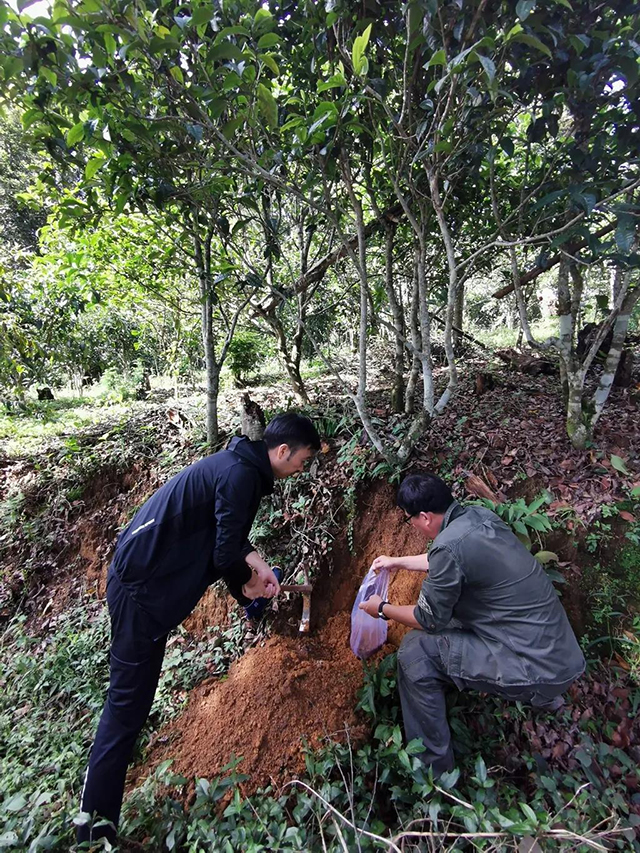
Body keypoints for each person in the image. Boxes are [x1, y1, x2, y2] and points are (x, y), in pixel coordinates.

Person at [78, 413, 320, 845]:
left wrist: (255, 563)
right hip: (141, 590)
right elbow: (226, 549)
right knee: (127, 707)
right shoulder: (242, 476)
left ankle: (97, 821)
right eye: (304, 458)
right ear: (282, 452)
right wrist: (246, 584)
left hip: (143, 583)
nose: (304, 466)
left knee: (131, 705)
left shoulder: (236, 466)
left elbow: (223, 534)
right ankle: (93, 828)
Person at [359, 472, 585, 777]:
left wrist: (383, 609)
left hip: (534, 666)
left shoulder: (449, 546)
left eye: (409, 519)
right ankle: (546, 694)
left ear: (424, 517)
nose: (410, 524)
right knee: (457, 615)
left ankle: (432, 775)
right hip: (560, 654)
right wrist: (396, 562)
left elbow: (428, 619)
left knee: (415, 652)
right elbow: (446, 558)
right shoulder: (476, 517)